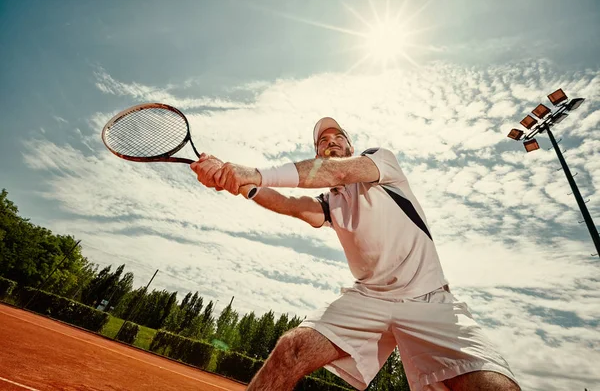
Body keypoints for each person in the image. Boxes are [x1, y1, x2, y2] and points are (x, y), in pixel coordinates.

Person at [190, 117, 520, 391]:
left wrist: (253, 173)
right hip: (368, 298)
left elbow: (339, 172)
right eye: (323, 140)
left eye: (338, 137)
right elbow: (290, 205)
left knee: (494, 387)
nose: (330, 141)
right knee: (291, 350)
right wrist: (240, 184)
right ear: (316, 150)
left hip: (429, 299)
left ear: (349, 146)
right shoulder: (329, 204)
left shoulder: (380, 162)